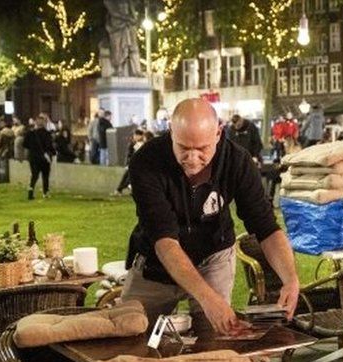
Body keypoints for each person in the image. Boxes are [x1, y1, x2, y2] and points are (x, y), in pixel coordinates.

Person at [122, 98, 300, 335]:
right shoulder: (146, 161)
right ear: (170, 131)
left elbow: (265, 226)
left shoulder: (237, 161)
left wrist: (290, 279)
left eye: (202, 149)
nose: (192, 158)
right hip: (155, 263)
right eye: (183, 148)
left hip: (213, 257)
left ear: (218, 133)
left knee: (214, 340)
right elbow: (165, 242)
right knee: (130, 335)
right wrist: (208, 298)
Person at [23, 114, 55, 200]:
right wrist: (53, 153)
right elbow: (50, 146)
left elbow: (25, 145)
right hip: (44, 158)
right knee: (45, 175)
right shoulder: (47, 134)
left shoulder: (30, 133)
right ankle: (45, 192)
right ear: (44, 123)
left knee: (34, 175)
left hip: (33, 158)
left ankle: (31, 191)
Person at [114, 129, 149, 195]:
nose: (135, 137)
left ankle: (123, 188)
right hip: (134, 164)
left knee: (130, 177)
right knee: (127, 176)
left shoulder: (142, 144)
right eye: (134, 135)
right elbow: (130, 155)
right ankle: (121, 189)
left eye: (136, 135)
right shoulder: (134, 144)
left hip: (139, 166)